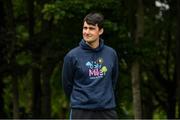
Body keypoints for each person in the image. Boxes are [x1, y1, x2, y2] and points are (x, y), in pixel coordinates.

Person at [62, 12, 119, 119]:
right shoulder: (72, 56)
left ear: (100, 31)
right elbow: (67, 85)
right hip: (81, 111)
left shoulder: (111, 54)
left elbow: (113, 81)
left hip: (107, 111)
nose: (86, 32)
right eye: (85, 28)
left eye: (91, 28)